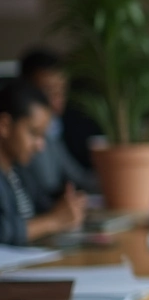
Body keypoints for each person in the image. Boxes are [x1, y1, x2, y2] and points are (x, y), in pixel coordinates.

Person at [0, 81, 87, 245]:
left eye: (43, 136)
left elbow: (42, 207)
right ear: (4, 125)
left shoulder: (19, 171)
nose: (40, 146)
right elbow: (3, 232)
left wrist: (67, 205)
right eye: (33, 133)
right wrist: (54, 221)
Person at [18, 48, 97, 195]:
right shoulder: (19, 136)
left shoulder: (55, 126)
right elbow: (46, 183)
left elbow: (77, 176)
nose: (58, 98)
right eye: (48, 90)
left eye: (62, 90)